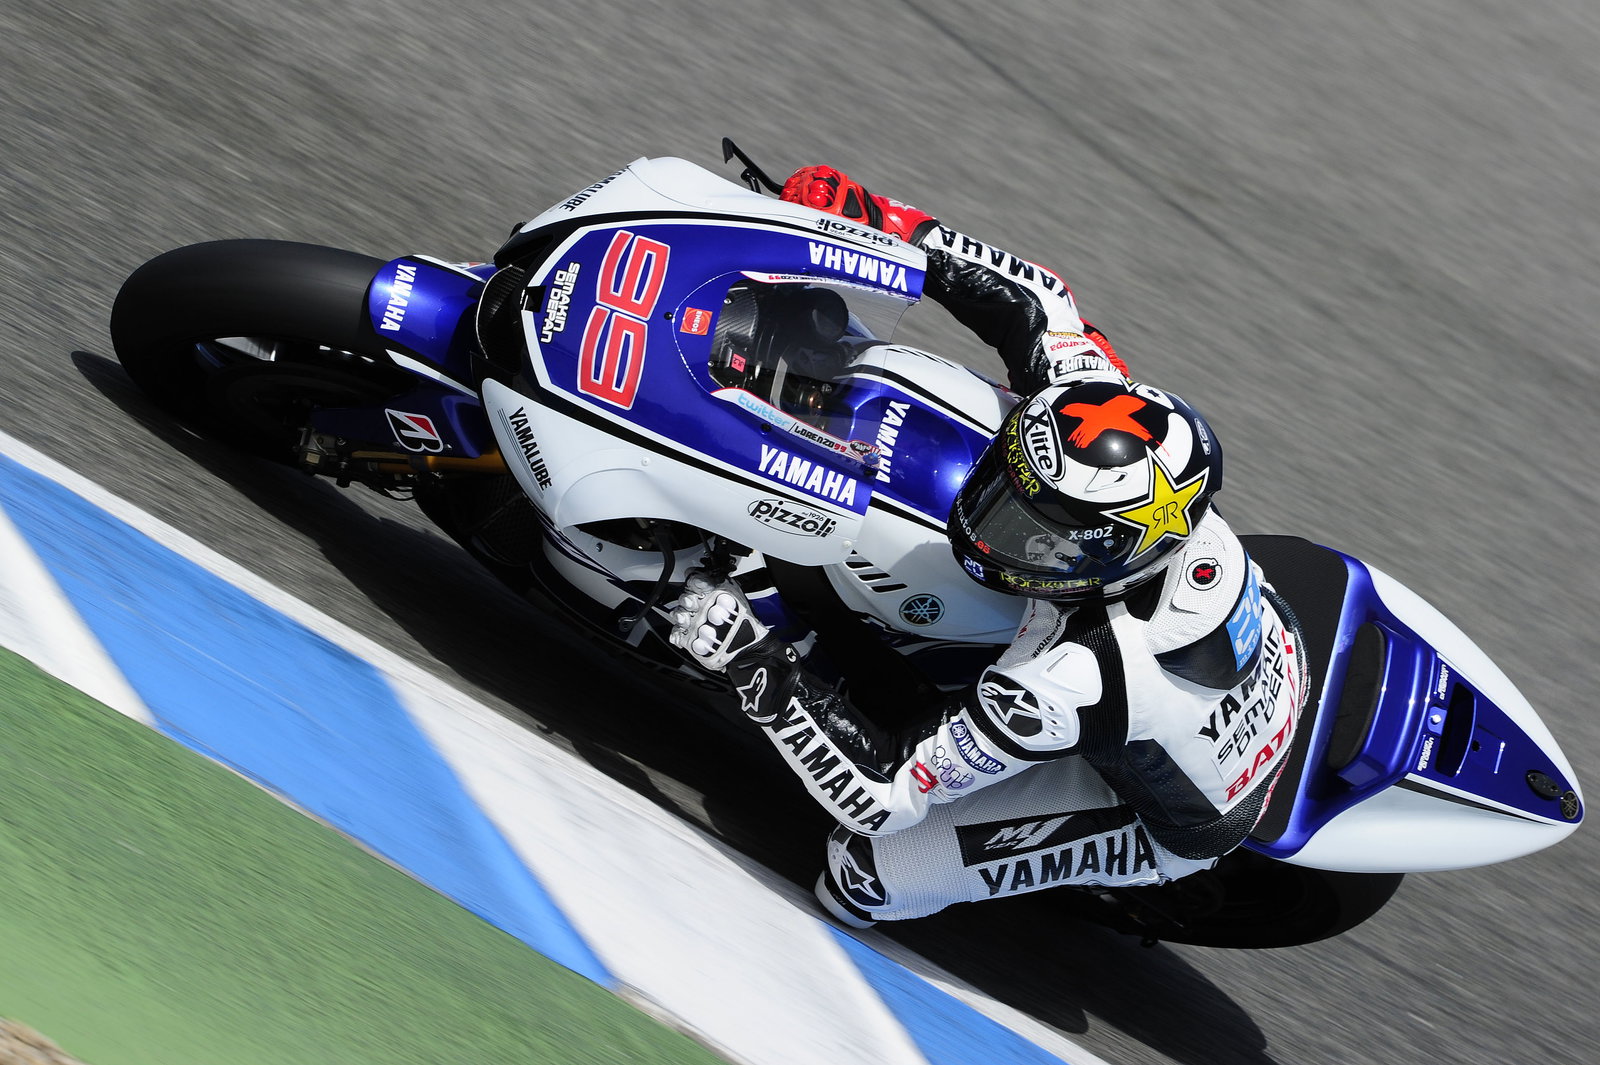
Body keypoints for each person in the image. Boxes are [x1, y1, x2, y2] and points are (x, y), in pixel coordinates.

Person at [668, 164, 1308, 926]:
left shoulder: (1068, 674)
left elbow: (886, 795)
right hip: (1254, 641)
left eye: (1031, 532)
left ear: (1109, 558)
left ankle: (1060, 867)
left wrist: (751, 659)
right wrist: (876, 219)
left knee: (862, 876)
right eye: (1007, 491)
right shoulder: (1094, 415)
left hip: (1185, 807)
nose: (988, 524)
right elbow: (1037, 299)